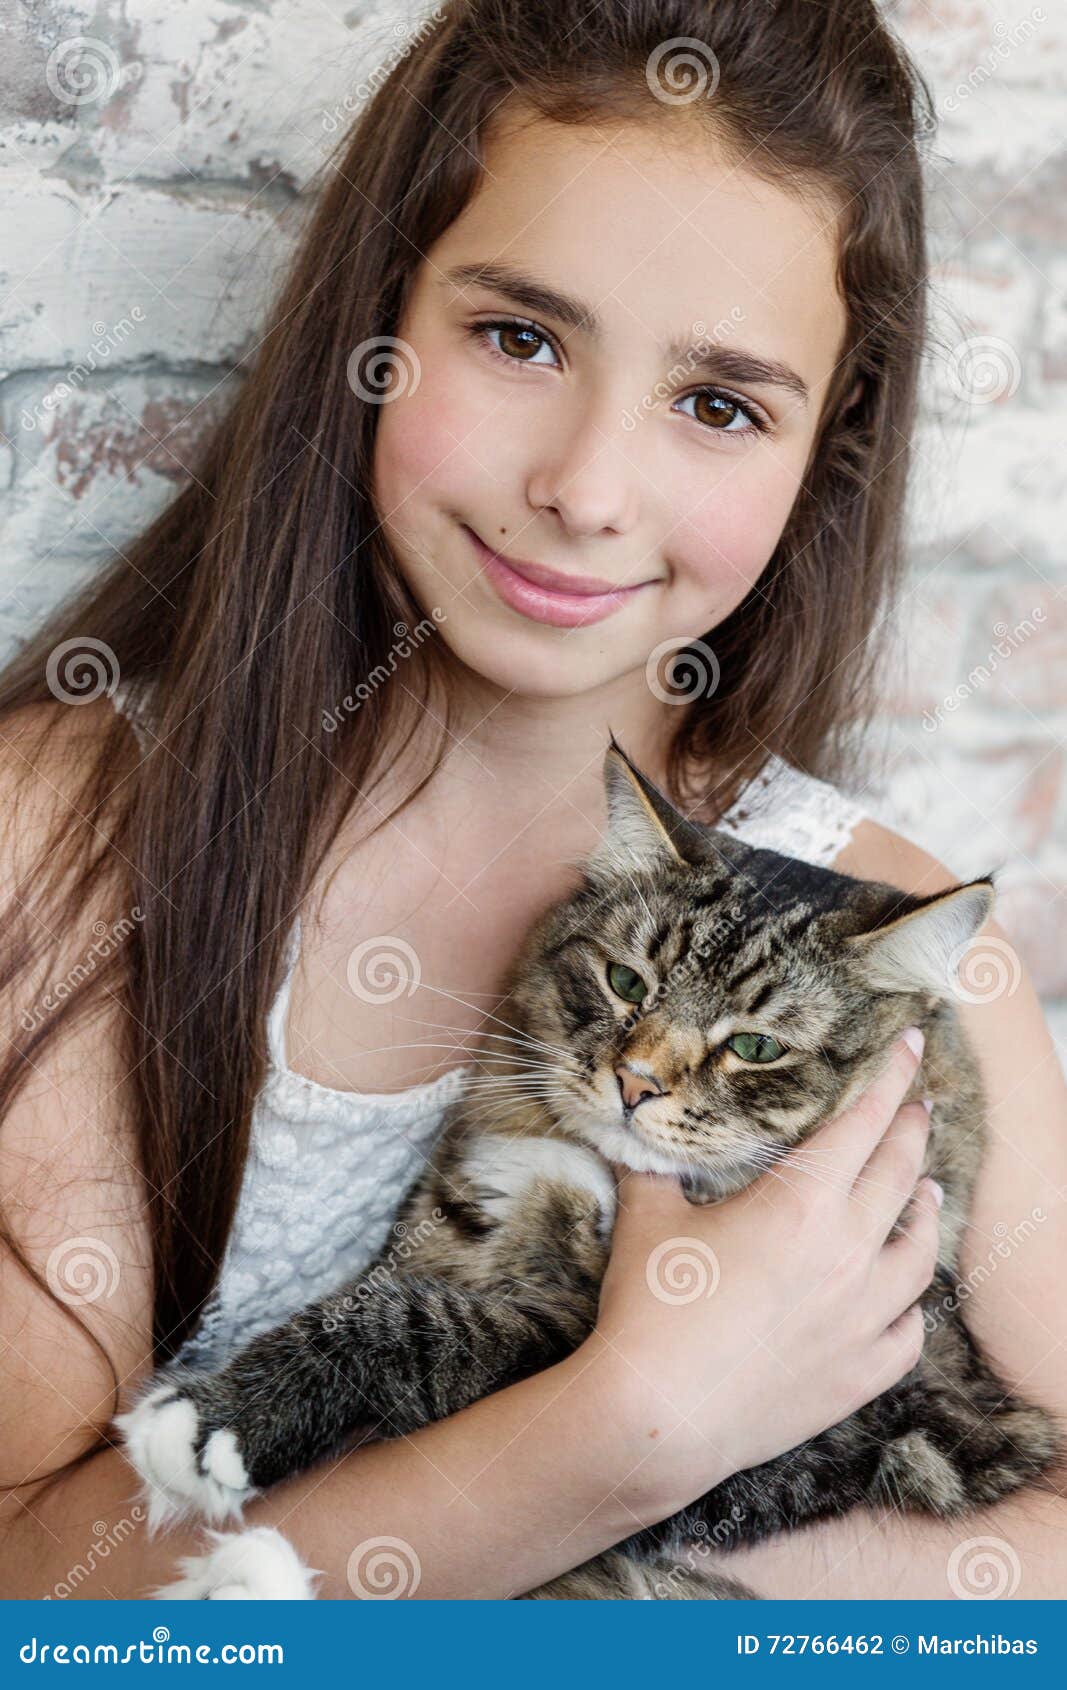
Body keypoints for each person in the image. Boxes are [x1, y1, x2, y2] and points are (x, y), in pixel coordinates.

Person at [1, 0, 1064, 1600]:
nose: (585, 487)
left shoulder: (895, 932)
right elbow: (31, 1594)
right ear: (380, 321)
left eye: (718, 404)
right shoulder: (72, 840)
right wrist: (622, 1427)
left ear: (821, 456)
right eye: (520, 338)